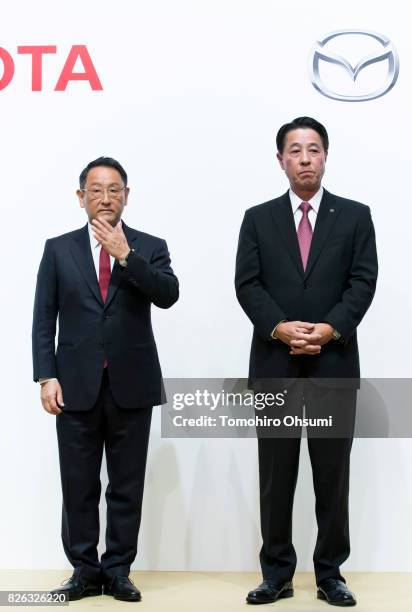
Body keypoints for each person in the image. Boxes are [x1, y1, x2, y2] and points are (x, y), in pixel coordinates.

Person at [235, 117, 378, 606]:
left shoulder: (355, 216)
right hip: (275, 364)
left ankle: (330, 573)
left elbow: (362, 281)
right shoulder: (258, 218)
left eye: (313, 150)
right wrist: (279, 327)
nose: (304, 159)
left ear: (325, 157)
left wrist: (330, 328)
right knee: (276, 475)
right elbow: (247, 284)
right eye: (294, 151)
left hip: (333, 365)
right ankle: (276, 574)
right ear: (280, 160)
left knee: (332, 475)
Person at [32, 157, 179, 602]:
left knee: (126, 484)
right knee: (78, 483)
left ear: (127, 196)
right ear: (81, 198)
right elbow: (43, 319)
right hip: (74, 386)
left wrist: (126, 256)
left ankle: (117, 570)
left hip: (131, 385)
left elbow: (168, 294)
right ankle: (83, 570)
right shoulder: (58, 249)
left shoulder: (149, 245)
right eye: (95, 190)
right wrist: (46, 376)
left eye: (114, 189)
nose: (105, 198)